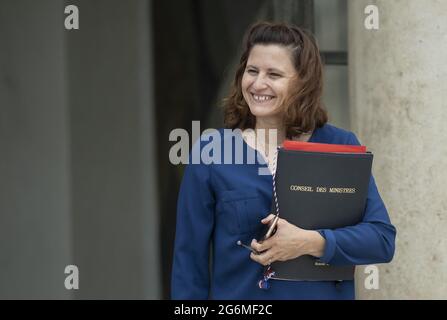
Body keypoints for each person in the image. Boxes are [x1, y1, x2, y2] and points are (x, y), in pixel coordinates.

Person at [171, 21, 396, 299]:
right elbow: (188, 265)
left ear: (303, 82)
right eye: (252, 71)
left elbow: (381, 240)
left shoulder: (340, 145)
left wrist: (311, 242)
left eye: (274, 74)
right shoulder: (211, 151)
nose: (258, 83)